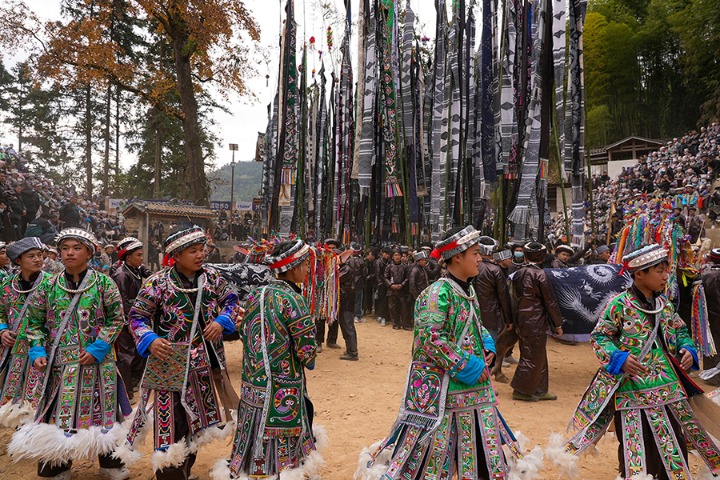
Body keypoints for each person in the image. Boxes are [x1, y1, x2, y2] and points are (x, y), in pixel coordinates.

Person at [357, 226, 534, 479]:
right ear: (457, 257)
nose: (480, 258)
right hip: (445, 397)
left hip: (475, 396)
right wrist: (470, 366)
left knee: (483, 460)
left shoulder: (467, 290)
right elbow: (430, 339)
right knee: (432, 462)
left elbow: (474, 324)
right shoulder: (437, 293)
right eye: (475, 253)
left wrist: (487, 346)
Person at [554, 244, 720, 480]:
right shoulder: (619, 304)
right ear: (639, 274)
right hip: (631, 389)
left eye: (666, 271)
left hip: (669, 388)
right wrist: (619, 358)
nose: (665, 277)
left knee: (673, 442)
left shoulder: (665, 305)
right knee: (638, 449)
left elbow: (680, 331)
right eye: (659, 271)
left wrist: (687, 349)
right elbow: (600, 336)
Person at [9, 228, 131, 480]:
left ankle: (111, 464)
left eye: (76, 248)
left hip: (97, 364)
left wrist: (98, 347)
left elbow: (117, 318)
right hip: (58, 365)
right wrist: (37, 349)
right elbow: (33, 322)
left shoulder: (104, 283)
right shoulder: (48, 286)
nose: (69, 253)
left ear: (89, 252)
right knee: (54, 417)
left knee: (104, 413)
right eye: (65, 248)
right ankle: (56, 466)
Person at [121, 226, 240, 479]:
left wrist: (221, 321)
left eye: (202, 249)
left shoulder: (213, 278)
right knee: (170, 422)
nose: (200, 255)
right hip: (168, 363)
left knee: (195, 423)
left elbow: (231, 301)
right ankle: (169, 473)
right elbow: (137, 317)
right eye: (193, 251)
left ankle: (184, 470)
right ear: (176, 255)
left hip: (203, 364)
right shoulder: (157, 283)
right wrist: (150, 339)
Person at [212, 239, 324, 479]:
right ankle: (281, 470)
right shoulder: (293, 300)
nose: (306, 270)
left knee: (253, 432)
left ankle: (253, 468)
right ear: (292, 268)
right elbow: (308, 353)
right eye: (304, 265)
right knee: (282, 437)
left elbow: (243, 332)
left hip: (254, 385)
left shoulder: (254, 295)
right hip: (283, 388)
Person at [0, 237, 51, 427]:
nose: (38, 259)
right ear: (18, 261)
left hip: (42, 350)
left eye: (40, 255)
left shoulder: (52, 284)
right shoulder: (6, 286)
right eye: (31, 256)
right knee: (14, 402)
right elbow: (0, 312)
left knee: (41, 396)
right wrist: (2, 330)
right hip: (13, 351)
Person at [510, 242, 564, 401]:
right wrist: (558, 324)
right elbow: (550, 302)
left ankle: (540, 389)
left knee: (536, 354)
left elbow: (514, 296)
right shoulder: (540, 275)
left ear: (525, 256)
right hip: (535, 320)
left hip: (523, 319)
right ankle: (521, 390)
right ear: (542, 257)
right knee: (532, 355)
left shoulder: (519, 273)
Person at [110, 238, 147, 400]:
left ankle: (133, 383)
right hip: (126, 320)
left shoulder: (135, 270)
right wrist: (127, 321)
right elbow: (121, 300)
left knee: (139, 352)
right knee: (126, 355)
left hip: (135, 317)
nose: (141, 258)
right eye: (138, 255)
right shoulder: (121, 275)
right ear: (128, 257)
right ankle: (126, 393)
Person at [474, 236, 512, 341]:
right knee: (489, 348)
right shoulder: (495, 270)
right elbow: (503, 296)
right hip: (491, 316)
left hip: (469, 314)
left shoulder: (469, 267)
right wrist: (508, 319)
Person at [698, 248, 720, 386]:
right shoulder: (715, 275)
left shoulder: (704, 272)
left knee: (711, 345)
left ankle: (710, 375)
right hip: (716, 313)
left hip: (708, 316)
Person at [338, 248, 360, 360]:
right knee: (345, 326)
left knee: (348, 326)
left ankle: (353, 352)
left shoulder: (346, 269)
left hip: (347, 302)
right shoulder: (342, 268)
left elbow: (336, 279)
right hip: (344, 302)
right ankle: (350, 350)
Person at [385, 249, 410, 330]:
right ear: (392, 257)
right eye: (395, 255)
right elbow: (385, 277)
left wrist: (402, 285)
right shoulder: (389, 267)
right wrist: (391, 285)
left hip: (402, 290)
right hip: (392, 291)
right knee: (393, 308)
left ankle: (405, 324)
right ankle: (396, 324)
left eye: (399, 255)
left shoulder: (405, 267)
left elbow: (407, 277)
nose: (397, 257)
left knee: (404, 308)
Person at [346, 243, 366, 323]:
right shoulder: (361, 261)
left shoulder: (348, 261)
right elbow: (364, 273)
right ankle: (358, 316)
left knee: (350, 299)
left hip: (349, 283)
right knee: (358, 300)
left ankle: (351, 315)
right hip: (359, 283)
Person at [374, 246, 392, 325]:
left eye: (388, 254)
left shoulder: (389, 262)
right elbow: (377, 274)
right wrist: (380, 283)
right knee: (382, 300)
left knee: (387, 301)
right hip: (382, 284)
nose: (387, 255)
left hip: (389, 284)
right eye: (386, 254)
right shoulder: (379, 262)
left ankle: (384, 316)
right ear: (382, 253)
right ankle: (381, 316)